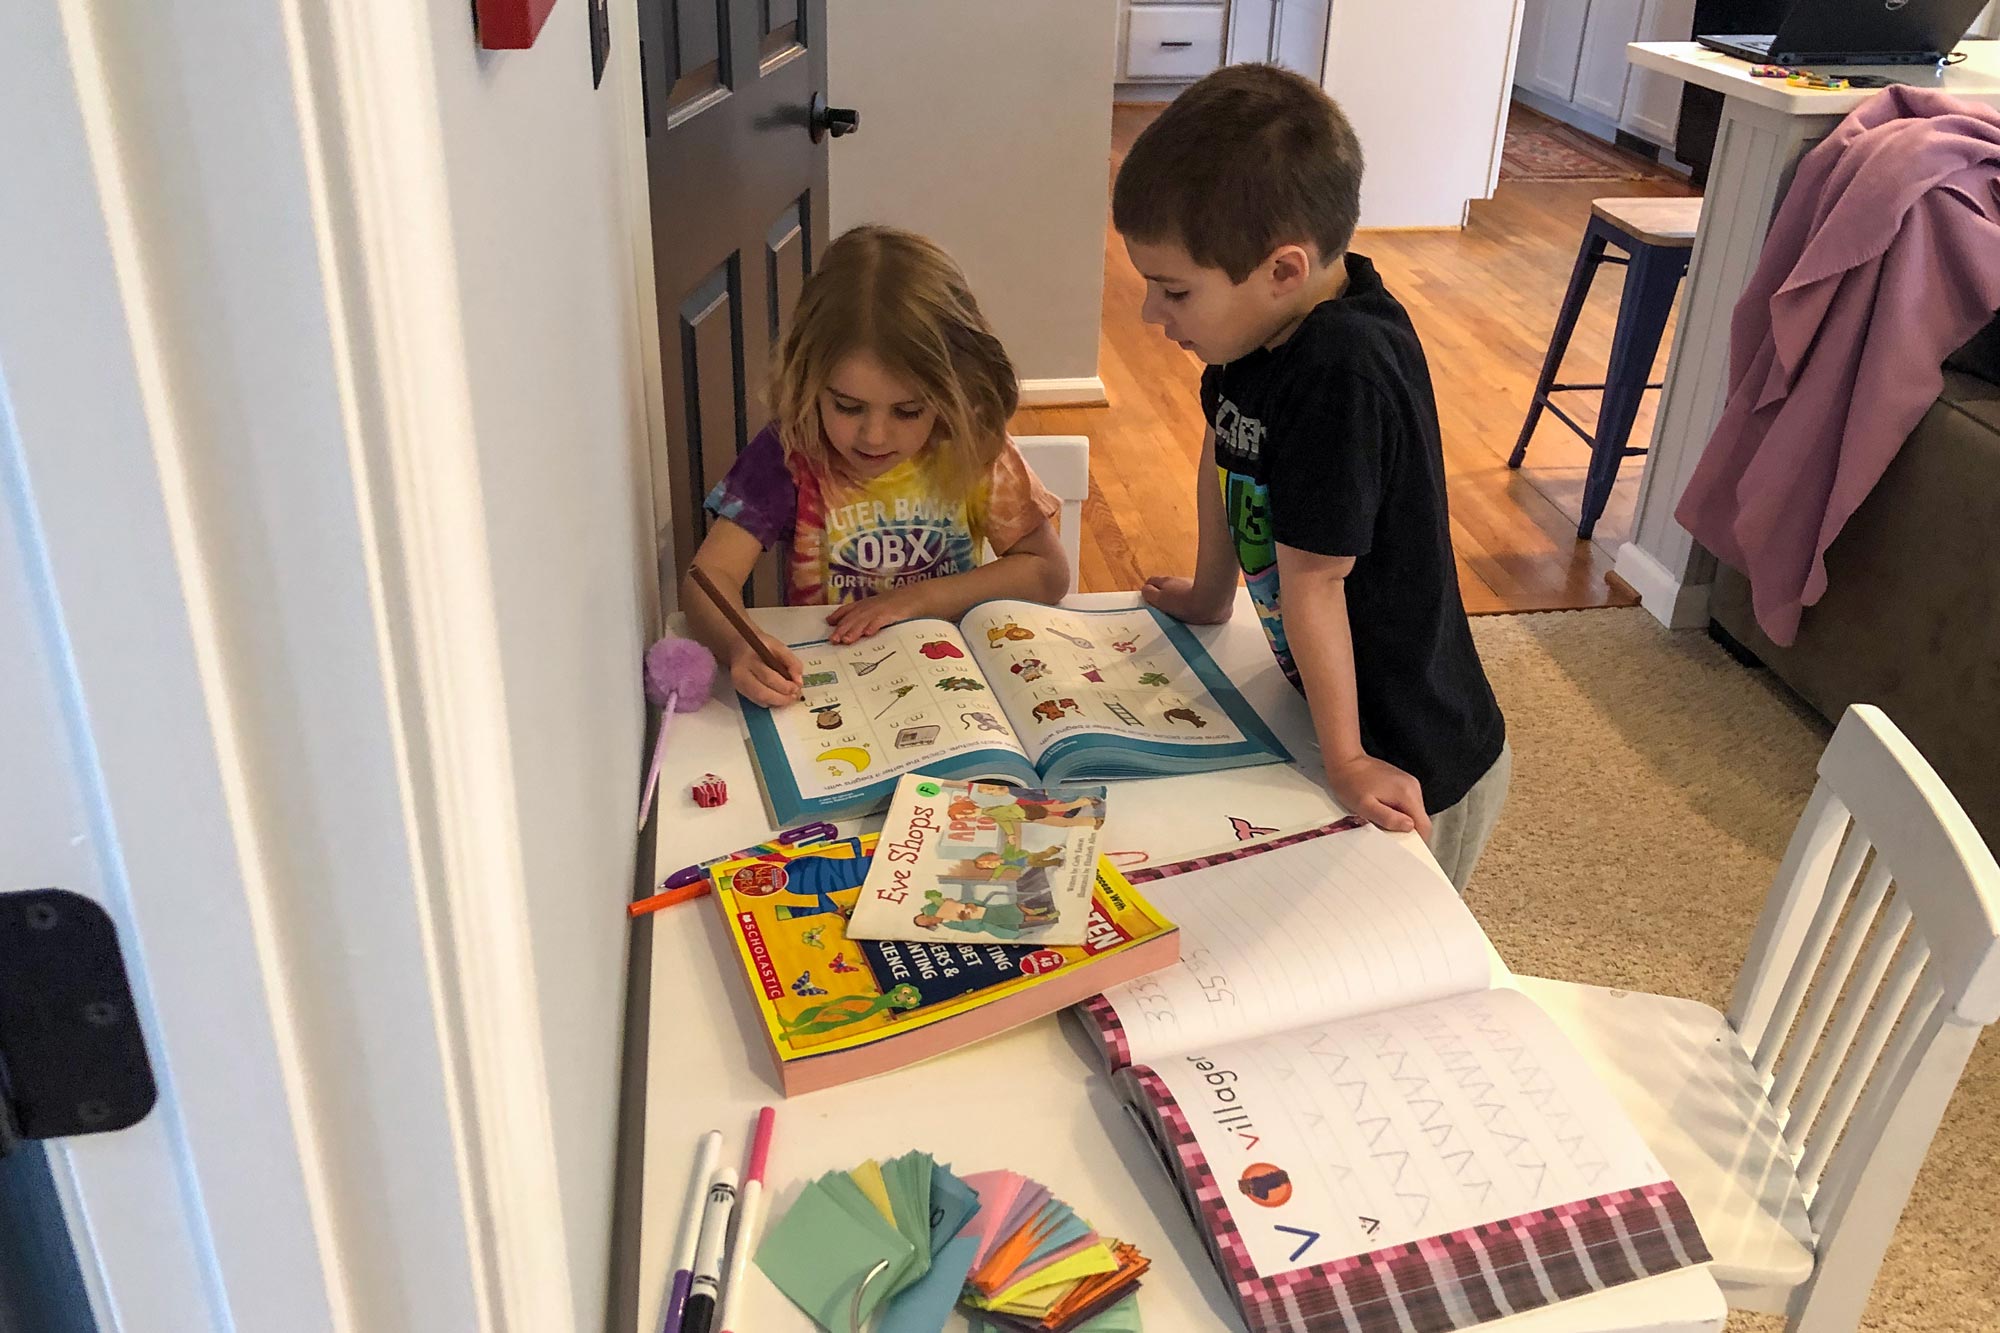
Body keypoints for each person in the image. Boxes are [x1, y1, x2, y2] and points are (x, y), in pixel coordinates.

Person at [1111, 64, 1509, 891]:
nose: (1154, 316)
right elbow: (1226, 449)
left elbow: (1318, 582)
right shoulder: (1247, 336)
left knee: (1405, 936)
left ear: (1283, 270)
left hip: (1415, 747)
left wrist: (1351, 757)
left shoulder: (1344, 369)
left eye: (1173, 291)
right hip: (1334, 699)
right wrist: (1209, 595)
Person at [684, 226, 1071, 707]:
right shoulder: (792, 453)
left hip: (956, 686)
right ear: (808, 378)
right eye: (847, 406)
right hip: (832, 690)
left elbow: (1048, 572)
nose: (874, 436)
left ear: (953, 393)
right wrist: (739, 644)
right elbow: (707, 577)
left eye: (908, 411)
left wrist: (918, 599)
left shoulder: (971, 444)